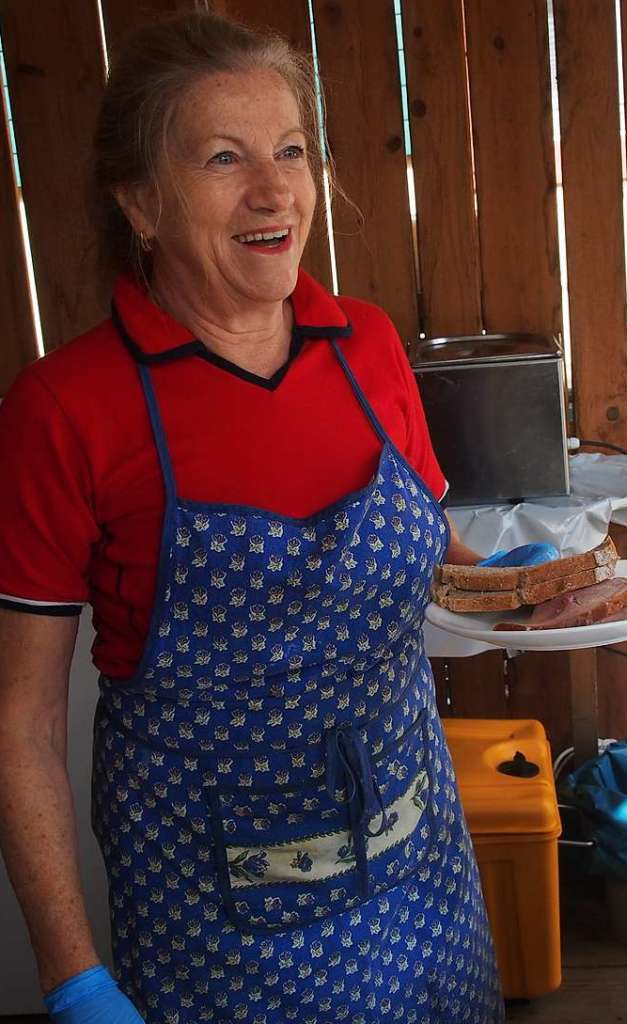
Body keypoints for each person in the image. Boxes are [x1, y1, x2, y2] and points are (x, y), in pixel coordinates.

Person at [0, 12, 503, 1024]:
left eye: (289, 151)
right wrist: (70, 972)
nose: (273, 191)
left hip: (423, 877)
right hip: (217, 931)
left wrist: (536, 586)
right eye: (224, 159)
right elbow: (25, 719)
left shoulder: (365, 346)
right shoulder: (67, 408)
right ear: (139, 201)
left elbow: (431, 567)